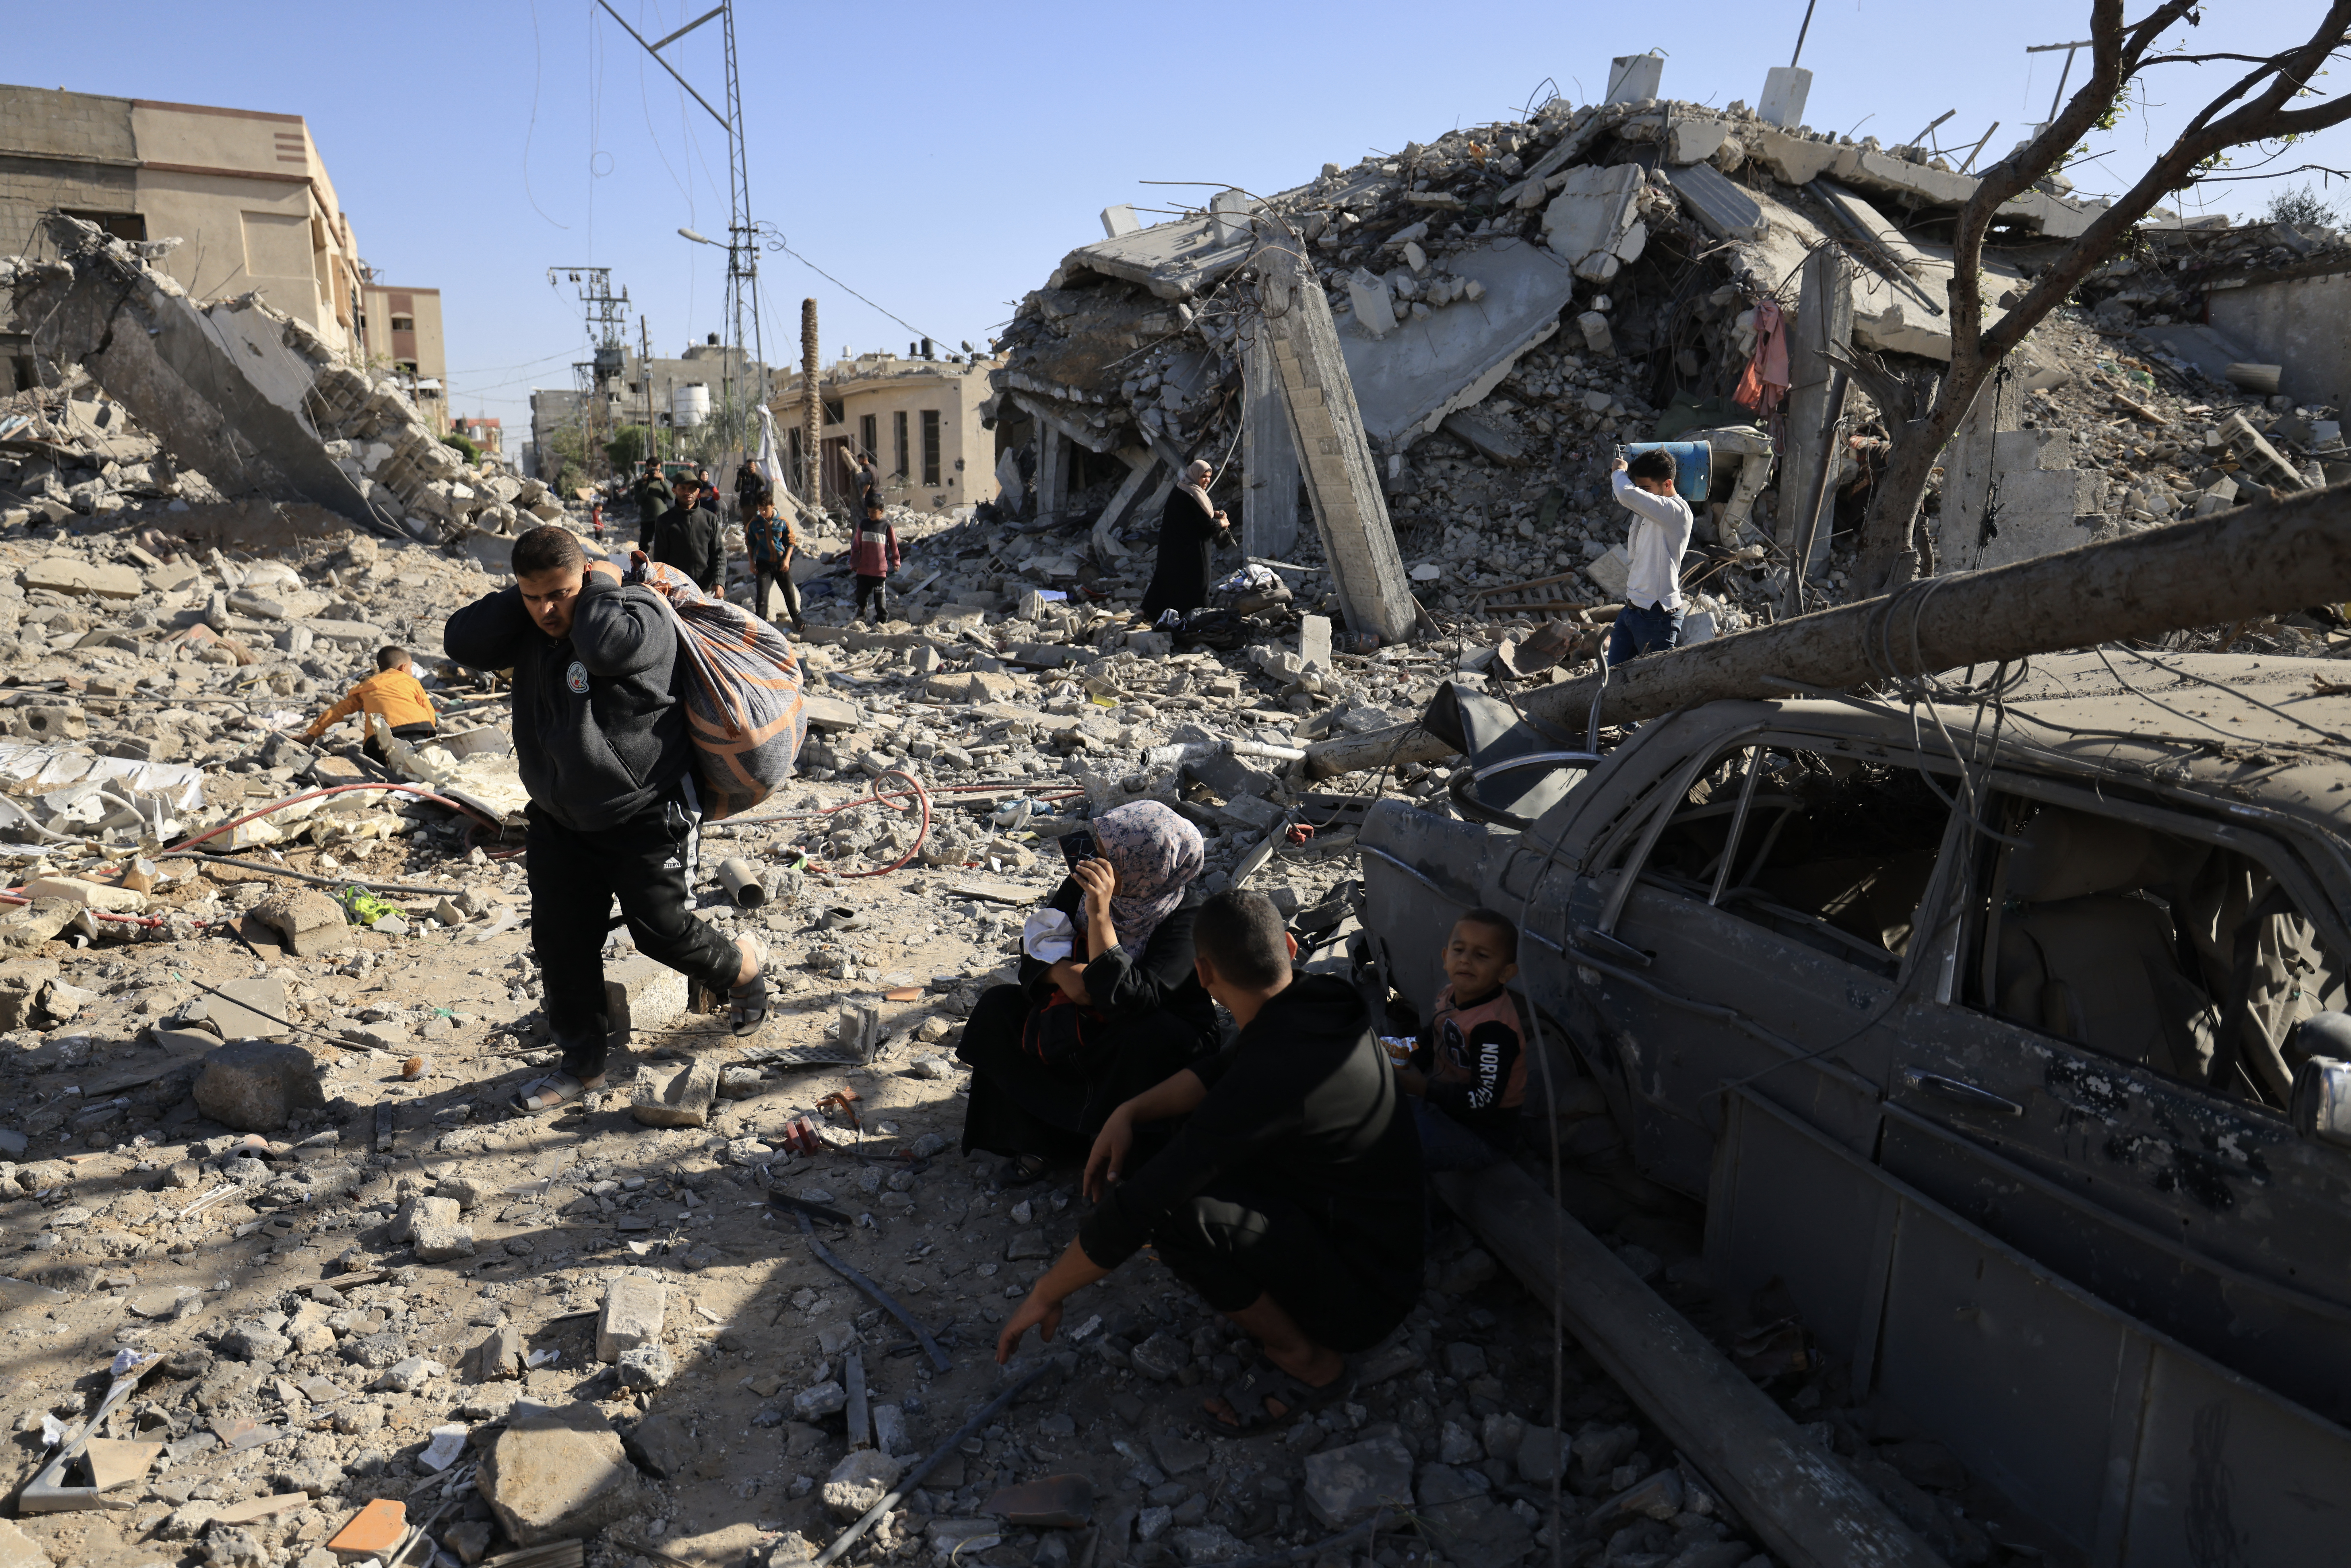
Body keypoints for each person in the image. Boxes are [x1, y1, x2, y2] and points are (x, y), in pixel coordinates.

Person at [996, 889, 1424, 1432]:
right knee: (1181, 1141)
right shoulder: (1322, 1000)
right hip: (1386, 1242)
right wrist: (1130, 1109)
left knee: (1176, 1218)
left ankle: (1311, 1363)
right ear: (1290, 946)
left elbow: (1142, 1205)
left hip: (1368, 1296)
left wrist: (1045, 1291)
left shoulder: (1270, 1075)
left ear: (1202, 972)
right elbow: (1221, 1068)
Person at [443, 525, 769, 1112]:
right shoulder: (531, 620)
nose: (547, 610)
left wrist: (598, 584)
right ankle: (582, 1063)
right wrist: (525, 592)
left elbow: (605, 649)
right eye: (532, 596)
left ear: (587, 579)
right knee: (562, 941)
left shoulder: (638, 611)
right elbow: (462, 642)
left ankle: (739, 966)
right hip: (560, 817)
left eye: (559, 593)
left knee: (661, 929)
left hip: (648, 809)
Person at [957, 801, 1216, 1187]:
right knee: (1000, 1009)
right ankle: (1042, 1139)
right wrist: (1061, 974)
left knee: (1146, 1038)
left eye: (1107, 855)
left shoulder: (1186, 915)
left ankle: (1127, 1153)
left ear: (1144, 864)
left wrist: (1099, 915)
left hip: (1147, 1034)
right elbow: (1035, 948)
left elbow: (1133, 1000)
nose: (1093, 860)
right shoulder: (1081, 887)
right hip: (1083, 1016)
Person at [1396, 909, 1526, 1171]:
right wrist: (1405, 1056)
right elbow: (1433, 1036)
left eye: (1481, 956)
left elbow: (1484, 1100)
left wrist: (1423, 1089)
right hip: (1443, 1106)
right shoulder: (1450, 993)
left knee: (1389, 1145)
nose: (1466, 961)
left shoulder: (1494, 1029)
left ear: (1505, 973)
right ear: (1446, 958)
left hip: (1481, 1135)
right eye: (1459, 950)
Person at [1608, 448, 1693, 664]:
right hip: (1633, 609)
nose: (1642, 495)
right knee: (1611, 680)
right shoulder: (1653, 512)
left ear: (1667, 485)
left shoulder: (1676, 512)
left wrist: (1619, 472)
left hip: (1657, 615)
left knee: (1656, 686)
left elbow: (1626, 494)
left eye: (1646, 489)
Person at [304, 645, 438, 765]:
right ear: (403, 668)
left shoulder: (365, 687)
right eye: (411, 668)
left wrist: (312, 733)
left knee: (385, 765)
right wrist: (431, 734)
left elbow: (338, 710)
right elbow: (428, 709)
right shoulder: (411, 681)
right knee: (424, 762)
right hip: (418, 729)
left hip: (378, 740)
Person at [1138, 459, 1231, 622]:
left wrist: (1213, 513)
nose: (1207, 480)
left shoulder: (1182, 488)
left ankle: (1148, 612)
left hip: (1173, 546)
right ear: (1195, 475)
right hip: (1191, 550)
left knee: (1166, 578)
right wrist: (1222, 523)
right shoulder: (1193, 495)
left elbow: (1192, 515)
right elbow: (1206, 527)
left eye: (1209, 477)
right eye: (1204, 477)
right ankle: (1197, 618)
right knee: (1198, 583)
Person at [652, 471, 725, 595]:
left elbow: (719, 554)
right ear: (674, 491)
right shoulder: (665, 521)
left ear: (698, 491)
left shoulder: (710, 519)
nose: (688, 492)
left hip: (707, 589)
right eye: (683, 488)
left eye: (692, 489)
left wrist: (719, 581)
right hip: (677, 589)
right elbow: (660, 559)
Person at [747, 492, 804, 634]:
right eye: (761, 508)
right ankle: (760, 627)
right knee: (762, 597)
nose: (763, 512)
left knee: (789, 593)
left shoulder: (782, 522)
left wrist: (787, 560)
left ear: (773, 506)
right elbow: (750, 543)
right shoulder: (755, 524)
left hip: (780, 564)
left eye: (766, 508)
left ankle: (797, 619)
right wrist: (751, 562)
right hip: (764, 564)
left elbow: (791, 541)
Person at [850, 499, 900, 625]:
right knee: (860, 596)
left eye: (874, 512)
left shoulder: (887, 525)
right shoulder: (864, 524)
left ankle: (881, 623)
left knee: (880, 599)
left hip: (879, 571)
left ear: (881, 512)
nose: (871, 514)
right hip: (863, 569)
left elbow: (894, 545)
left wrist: (896, 561)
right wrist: (854, 563)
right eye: (869, 512)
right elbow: (856, 545)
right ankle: (862, 611)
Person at [633, 458, 669, 552]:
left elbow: (672, 496)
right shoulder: (640, 483)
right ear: (647, 468)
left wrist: (663, 481)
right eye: (653, 469)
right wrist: (646, 484)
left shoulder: (662, 482)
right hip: (647, 519)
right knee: (644, 545)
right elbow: (639, 500)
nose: (655, 472)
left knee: (665, 544)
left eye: (658, 470)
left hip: (663, 518)